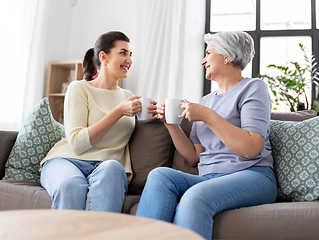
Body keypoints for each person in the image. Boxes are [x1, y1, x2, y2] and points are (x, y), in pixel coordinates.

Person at [135, 31, 278, 239]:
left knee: (195, 196)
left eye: (208, 53)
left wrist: (208, 116)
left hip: (252, 174)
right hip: (208, 179)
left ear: (227, 56)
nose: (203, 61)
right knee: (160, 175)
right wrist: (170, 124)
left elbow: (250, 148)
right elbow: (194, 156)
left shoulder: (253, 88)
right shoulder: (205, 101)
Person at [40, 31, 157, 212]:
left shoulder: (128, 97)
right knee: (71, 186)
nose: (129, 60)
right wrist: (118, 111)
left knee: (113, 169)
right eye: (123, 53)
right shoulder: (79, 88)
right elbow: (77, 144)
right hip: (68, 160)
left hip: (107, 165)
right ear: (104, 57)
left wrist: (156, 113)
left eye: (131, 55)